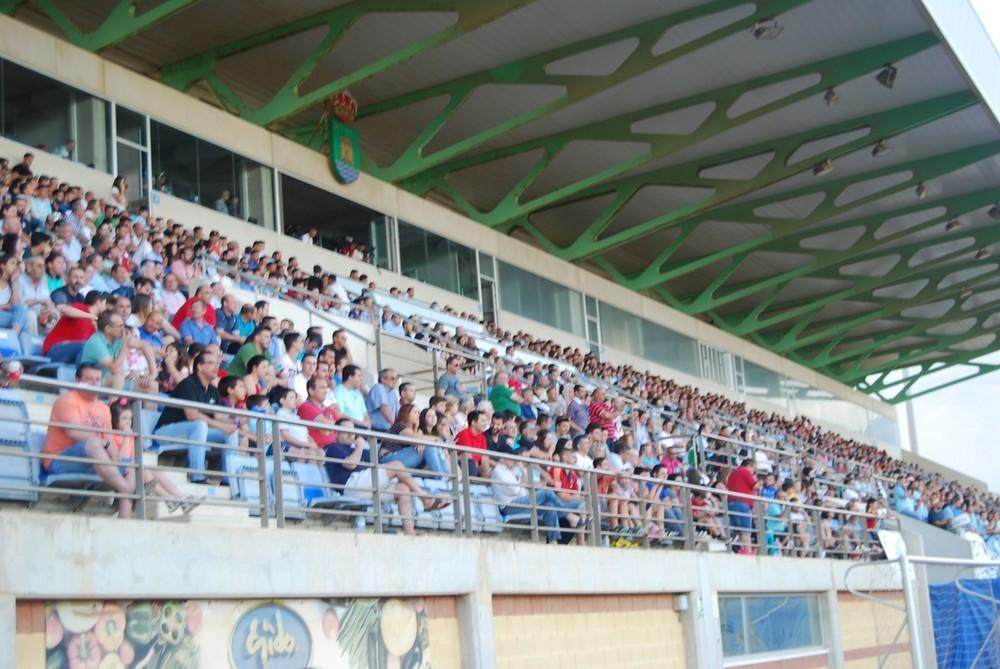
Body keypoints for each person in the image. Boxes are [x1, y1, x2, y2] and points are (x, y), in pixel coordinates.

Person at [322, 418, 449, 536]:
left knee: (402, 488)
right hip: (351, 486)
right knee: (396, 465)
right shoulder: (334, 448)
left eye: (352, 431)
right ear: (337, 433)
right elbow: (351, 464)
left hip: (367, 486)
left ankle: (409, 531)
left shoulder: (358, 450)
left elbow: (381, 465)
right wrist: (360, 446)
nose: (351, 434)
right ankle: (424, 498)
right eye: (346, 431)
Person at [43, 363, 134, 517]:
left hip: (93, 459)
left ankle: (125, 518)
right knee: (92, 444)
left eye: (97, 380)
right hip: (58, 460)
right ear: (77, 380)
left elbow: (108, 438)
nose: (94, 384)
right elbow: (74, 432)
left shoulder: (104, 408)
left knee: (132, 466)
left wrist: (114, 455)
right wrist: (104, 443)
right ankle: (126, 490)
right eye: (89, 379)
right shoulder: (67, 400)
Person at [153, 351, 240, 483]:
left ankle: (228, 479)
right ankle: (197, 475)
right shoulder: (188, 384)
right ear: (199, 366)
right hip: (166, 432)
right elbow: (192, 416)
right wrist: (221, 425)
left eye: (217, 363)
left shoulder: (213, 390)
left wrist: (232, 421)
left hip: (195, 433)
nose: (216, 366)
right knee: (200, 425)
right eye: (211, 363)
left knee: (231, 433)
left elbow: (218, 417)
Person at [108, 401, 200, 514]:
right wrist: (126, 438)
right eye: (124, 418)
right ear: (114, 420)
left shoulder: (131, 437)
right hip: (119, 470)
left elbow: (133, 457)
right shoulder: (111, 435)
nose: (128, 422)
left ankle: (180, 498)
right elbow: (120, 459)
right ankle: (168, 499)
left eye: (130, 419)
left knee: (157, 471)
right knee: (143, 469)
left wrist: (128, 437)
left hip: (132, 469)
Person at [490, 454, 582, 543]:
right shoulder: (498, 470)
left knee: (548, 506)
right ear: (502, 459)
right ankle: (569, 516)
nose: (513, 460)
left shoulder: (511, 471)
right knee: (546, 492)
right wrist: (524, 485)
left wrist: (522, 474)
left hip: (521, 501)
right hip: (510, 505)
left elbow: (524, 486)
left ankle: (553, 541)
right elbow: (515, 490)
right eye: (510, 457)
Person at [80, 309, 156, 391]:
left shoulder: (117, 337)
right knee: (118, 379)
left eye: (123, 325)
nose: (123, 329)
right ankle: (115, 403)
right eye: (120, 326)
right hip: (92, 382)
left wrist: (152, 374)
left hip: (113, 380)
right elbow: (113, 368)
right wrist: (125, 345)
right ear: (108, 329)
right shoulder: (96, 342)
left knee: (152, 385)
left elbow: (145, 345)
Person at [42, 290, 105, 363]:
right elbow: (63, 309)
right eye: (105, 303)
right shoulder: (81, 307)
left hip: (71, 356)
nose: (106, 307)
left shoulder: (94, 325)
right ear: (98, 302)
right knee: (86, 346)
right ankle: (81, 373)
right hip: (53, 350)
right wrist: (91, 316)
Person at [725, 457, 760, 555]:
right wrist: (756, 479)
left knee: (739, 532)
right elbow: (756, 486)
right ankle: (748, 552)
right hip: (742, 504)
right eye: (754, 469)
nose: (753, 472)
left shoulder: (733, 473)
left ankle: (742, 551)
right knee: (745, 531)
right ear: (750, 465)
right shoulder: (745, 471)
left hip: (731, 503)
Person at [0, 254, 28, 334]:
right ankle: (14, 338)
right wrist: (2, 306)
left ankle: (13, 334)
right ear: (2, 266)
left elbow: (16, 304)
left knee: (22, 308)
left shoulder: (13, 283)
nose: (16, 266)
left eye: (16, 264)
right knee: (24, 321)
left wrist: (15, 282)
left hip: (6, 315)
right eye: (12, 263)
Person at [365, 368, 399, 432]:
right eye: (392, 378)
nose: (395, 381)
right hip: (374, 429)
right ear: (382, 379)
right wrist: (397, 427)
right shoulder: (378, 387)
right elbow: (384, 408)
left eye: (396, 378)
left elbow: (398, 413)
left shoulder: (393, 393)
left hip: (388, 430)